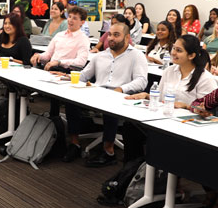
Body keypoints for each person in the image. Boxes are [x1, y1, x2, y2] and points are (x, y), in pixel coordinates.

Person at [63, 22, 148, 167]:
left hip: (120, 97)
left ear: (127, 38)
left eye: (116, 35)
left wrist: (121, 89)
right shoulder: (100, 56)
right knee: (71, 100)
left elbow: (142, 81)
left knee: (110, 104)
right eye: (109, 34)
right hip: (97, 93)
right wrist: (66, 76)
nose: (111, 38)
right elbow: (84, 76)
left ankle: (108, 151)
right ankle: (75, 144)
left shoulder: (136, 56)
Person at [125, 35, 216, 163]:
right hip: (165, 118)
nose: (173, 53)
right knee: (131, 127)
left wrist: (185, 105)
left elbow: (207, 111)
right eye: (173, 48)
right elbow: (162, 98)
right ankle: (132, 170)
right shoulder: (169, 71)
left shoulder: (205, 78)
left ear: (191, 55)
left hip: (186, 125)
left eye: (179, 50)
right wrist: (147, 95)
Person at [30, 6, 89, 72]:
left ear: (82, 22)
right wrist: (39, 56)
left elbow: (81, 62)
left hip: (66, 72)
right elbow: (48, 55)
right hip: (51, 69)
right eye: (69, 17)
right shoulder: (59, 35)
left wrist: (59, 62)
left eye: (74, 18)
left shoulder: (83, 39)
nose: (70, 20)